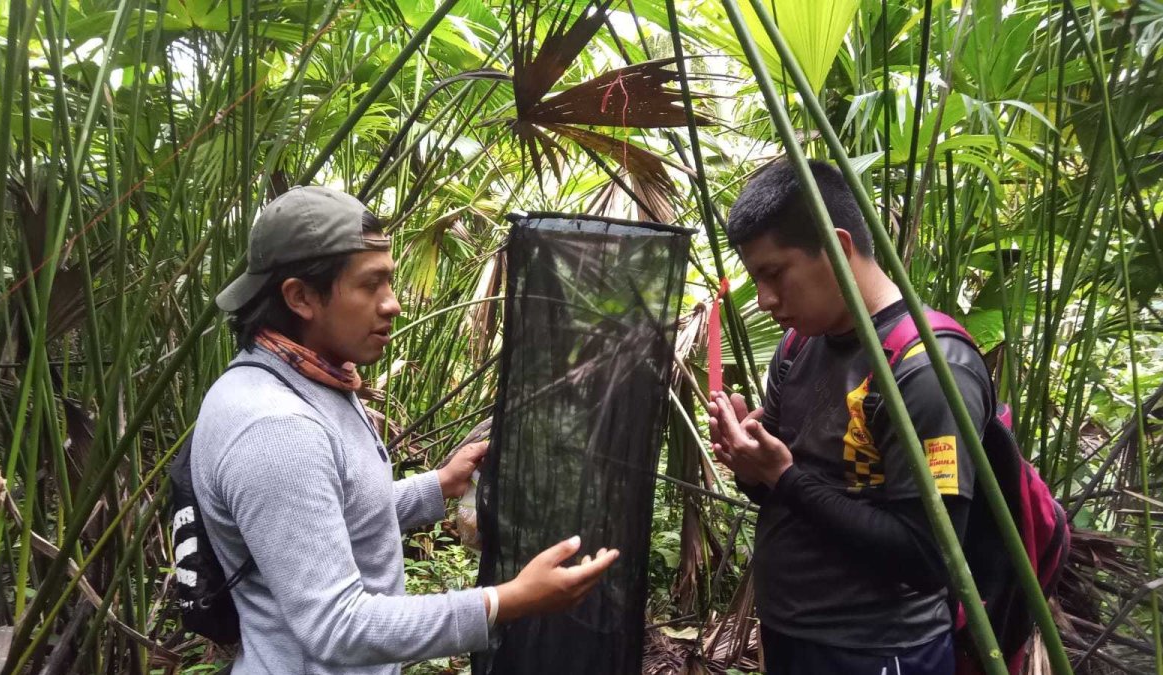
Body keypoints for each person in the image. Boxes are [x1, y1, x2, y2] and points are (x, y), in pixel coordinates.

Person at [192, 186, 619, 674]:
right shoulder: (274, 427)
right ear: (301, 297)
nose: (392, 304)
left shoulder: (304, 378)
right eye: (370, 285)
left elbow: (333, 514)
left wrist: (436, 487)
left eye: (389, 282)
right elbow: (337, 626)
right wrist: (505, 602)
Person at [707, 160, 992, 674]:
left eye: (774, 274)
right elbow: (783, 494)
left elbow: (929, 557)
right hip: (792, 634)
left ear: (839, 249)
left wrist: (782, 474)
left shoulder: (927, 366)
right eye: (756, 278)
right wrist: (749, 462)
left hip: (879, 651)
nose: (766, 300)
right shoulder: (798, 344)